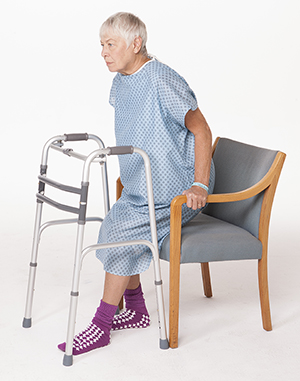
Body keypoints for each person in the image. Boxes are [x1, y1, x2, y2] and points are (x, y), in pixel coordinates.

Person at [58, 12, 215, 356]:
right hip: (142, 185)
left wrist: (200, 184)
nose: (103, 51)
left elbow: (202, 129)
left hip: (177, 186)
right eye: (102, 44)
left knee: (122, 236)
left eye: (110, 44)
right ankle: (137, 309)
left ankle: (101, 325)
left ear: (136, 44)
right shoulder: (122, 79)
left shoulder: (161, 79)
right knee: (113, 223)